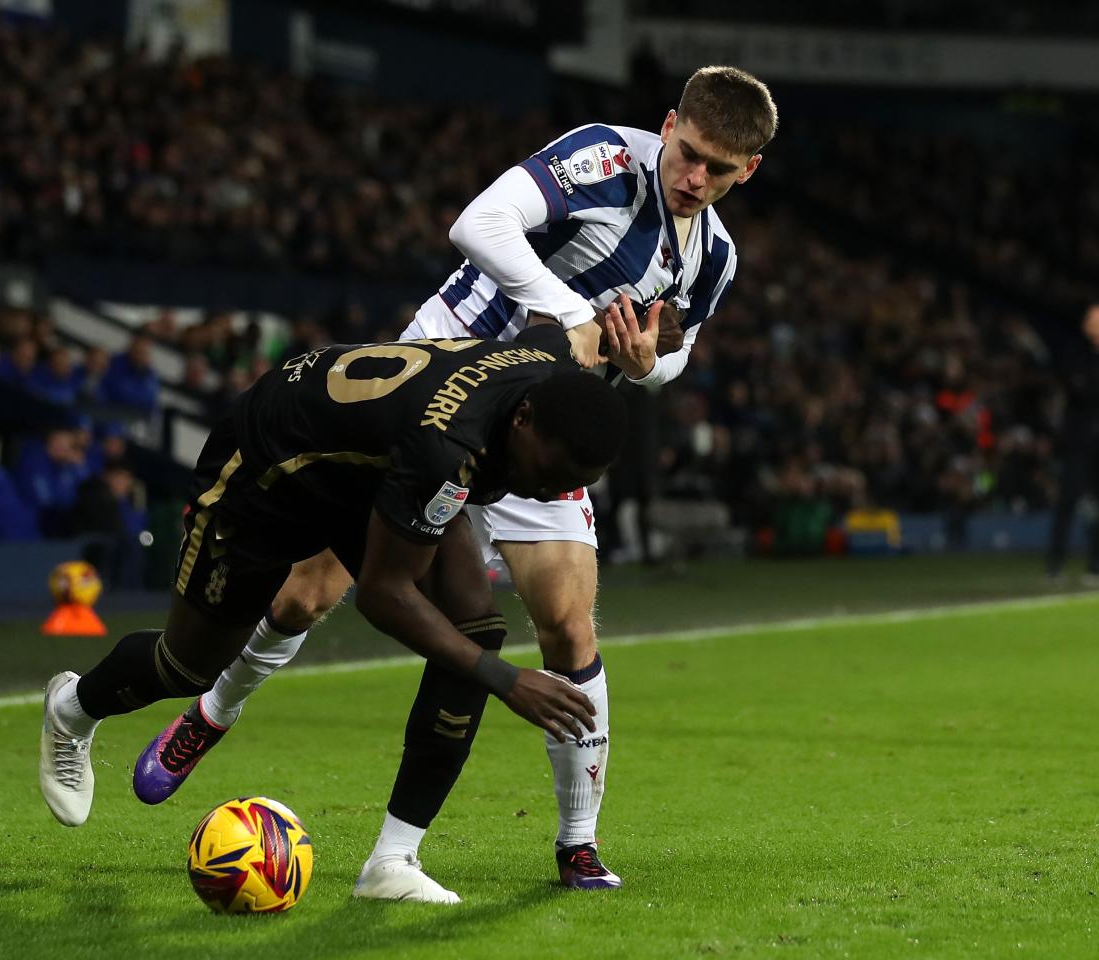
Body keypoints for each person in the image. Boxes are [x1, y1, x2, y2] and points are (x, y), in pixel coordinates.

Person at [133, 64, 778, 899]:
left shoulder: (714, 255)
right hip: (446, 387)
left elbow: (677, 346)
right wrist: (573, 315)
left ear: (747, 171)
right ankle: (212, 715)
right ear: (668, 125)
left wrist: (648, 363)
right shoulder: (603, 162)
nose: (695, 178)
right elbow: (479, 223)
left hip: (541, 444)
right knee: (305, 594)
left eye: (718, 170)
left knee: (569, 629)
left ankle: (565, 845)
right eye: (688, 154)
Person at [40, 320, 629, 831]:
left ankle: (394, 859)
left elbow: (553, 329)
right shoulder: (445, 451)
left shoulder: (543, 371)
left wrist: (642, 342)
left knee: (471, 626)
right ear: (523, 418)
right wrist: (506, 681)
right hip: (263, 473)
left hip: (357, 466)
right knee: (187, 665)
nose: (551, 492)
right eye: (550, 472)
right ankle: (72, 710)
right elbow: (382, 595)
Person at [1045, 303, 1099, 582]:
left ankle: (1095, 565)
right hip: (1079, 442)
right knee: (1068, 502)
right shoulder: (1076, 354)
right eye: (1093, 319)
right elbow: (1079, 388)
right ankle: (1054, 564)